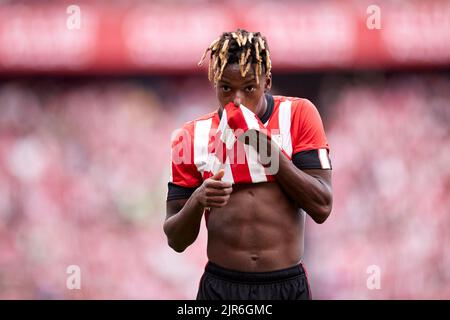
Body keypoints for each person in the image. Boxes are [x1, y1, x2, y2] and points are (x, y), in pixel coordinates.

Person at [164, 29, 332, 300]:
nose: (237, 100)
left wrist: (269, 153)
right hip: (221, 286)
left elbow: (322, 206)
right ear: (214, 83)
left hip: (285, 285)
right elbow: (176, 240)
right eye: (226, 88)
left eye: (249, 87)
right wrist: (198, 199)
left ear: (267, 81)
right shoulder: (191, 136)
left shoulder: (299, 115)